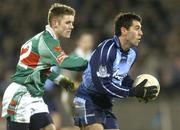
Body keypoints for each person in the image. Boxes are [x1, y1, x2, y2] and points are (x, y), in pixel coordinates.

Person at [1, 3, 88, 130]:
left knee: (49, 127)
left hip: (34, 95)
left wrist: (69, 85)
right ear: (55, 22)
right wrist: (91, 63)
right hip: (21, 95)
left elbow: (45, 72)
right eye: (68, 22)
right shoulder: (47, 42)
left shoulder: (41, 40)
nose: (72, 26)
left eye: (72, 22)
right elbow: (65, 62)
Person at [73, 12, 158, 130]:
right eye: (137, 28)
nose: (141, 33)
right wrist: (133, 91)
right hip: (85, 99)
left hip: (105, 104)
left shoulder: (131, 54)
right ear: (124, 30)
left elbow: (119, 77)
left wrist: (137, 86)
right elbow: (103, 84)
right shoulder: (107, 50)